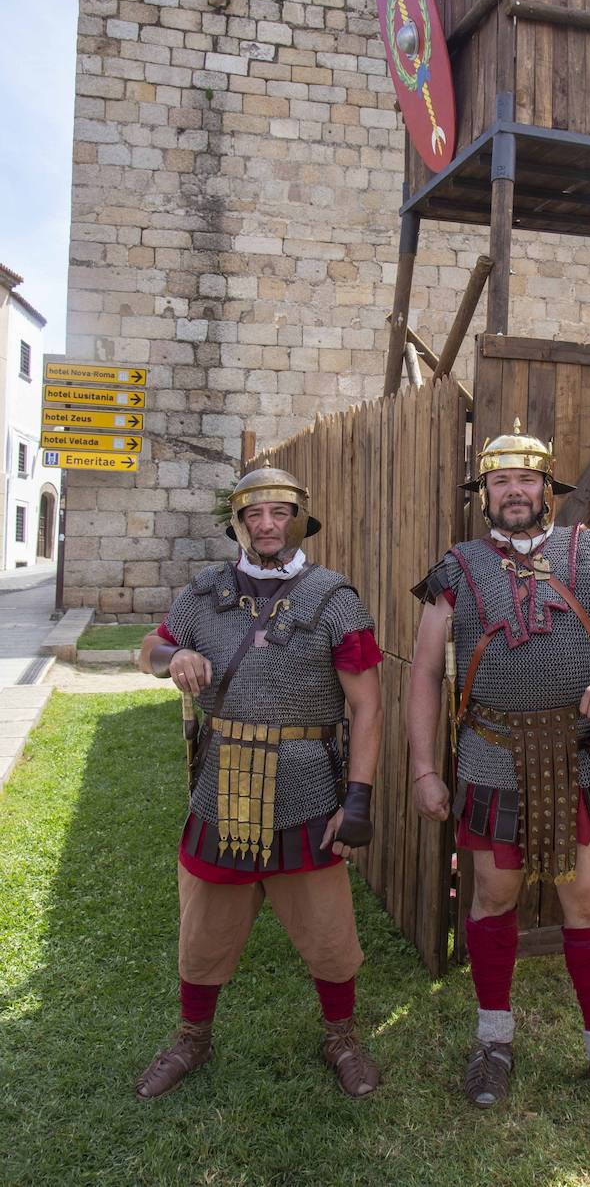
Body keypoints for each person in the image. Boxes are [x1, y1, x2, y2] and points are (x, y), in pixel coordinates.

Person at [408, 421, 590, 1125]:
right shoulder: (456, 570)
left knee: (586, 907)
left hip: (575, 761)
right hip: (492, 755)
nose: (514, 492)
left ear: (546, 488)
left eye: (526, 480)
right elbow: (426, 676)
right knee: (491, 902)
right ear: (485, 494)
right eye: (501, 481)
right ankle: (493, 1039)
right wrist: (425, 769)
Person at [136, 467, 383, 1100]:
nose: (266, 525)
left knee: (328, 929)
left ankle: (342, 1036)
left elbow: (368, 706)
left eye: (278, 513)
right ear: (239, 525)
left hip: (307, 784)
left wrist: (358, 798)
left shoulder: (335, 599)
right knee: (204, 925)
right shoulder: (205, 591)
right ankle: (193, 1037)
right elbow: (149, 649)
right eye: (254, 516)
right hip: (223, 782)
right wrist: (175, 657)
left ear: (298, 520)